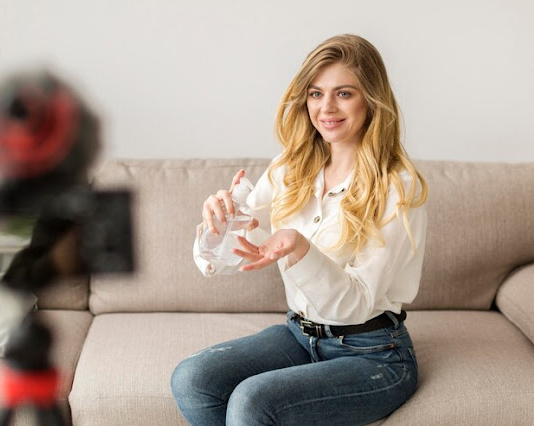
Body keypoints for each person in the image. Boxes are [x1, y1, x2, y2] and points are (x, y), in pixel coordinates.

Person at [171, 34, 428, 426]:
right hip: (300, 335)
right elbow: (234, 254)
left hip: (374, 354)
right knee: (193, 380)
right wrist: (219, 224)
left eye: (344, 93)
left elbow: (356, 304)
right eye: (315, 93)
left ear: (371, 100)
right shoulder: (289, 168)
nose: (326, 108)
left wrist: (299, 247)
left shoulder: (398, 186)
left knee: (253, 403)